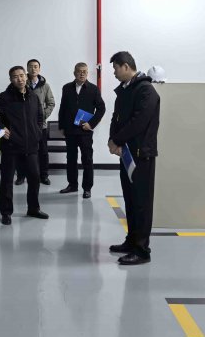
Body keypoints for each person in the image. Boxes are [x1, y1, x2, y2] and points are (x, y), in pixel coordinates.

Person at [108, 51, 160, 265]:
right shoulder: (125, 90)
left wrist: (117, 139)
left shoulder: (146, 90)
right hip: (126, 154)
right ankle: (131, 241)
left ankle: (142, 250)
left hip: (141, 154)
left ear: (126, 66)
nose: (114, 73)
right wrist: (112, 140)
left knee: (141, 203)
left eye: (115, 68)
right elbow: (116, 117)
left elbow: (139, 122)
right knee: (130, 200)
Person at [0, 65, 50, 225]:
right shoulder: (5, 97)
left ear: (26, 77)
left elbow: (39, 116)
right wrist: (1, 128)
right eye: (15, 76)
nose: (19, 79)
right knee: (7, 180)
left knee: (34, 178)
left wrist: (37, 133)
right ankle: (6, 213)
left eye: (21, 75)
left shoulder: (33, 97)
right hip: (11, 146)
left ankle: (33, 208)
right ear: (11, 79)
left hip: (31, 146)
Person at [58, 62, 106, 199]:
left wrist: (91, 124)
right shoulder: (66, 88)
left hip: (85, 131)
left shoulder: (93, 89)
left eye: (85, 71)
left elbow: (101, 108)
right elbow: (63, 108)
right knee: (71, 159)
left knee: (87, 159)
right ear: (74, 73)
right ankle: (72, 185)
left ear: (87, 73)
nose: (82, 74)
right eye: (79, 71)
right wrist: (61, 126)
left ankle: (87, 188)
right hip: (70, 130)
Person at [15, 59, 55, 186]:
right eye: (31, 66)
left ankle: (44, 176)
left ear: (39, 69)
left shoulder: (45, 86)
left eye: (36, 66)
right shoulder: (21, 83)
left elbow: (51, 103)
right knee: (22, 151)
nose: (33, 69)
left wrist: (42, 116)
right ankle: (21, 176)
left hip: (40, 125)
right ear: (27, 69)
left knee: (43, 152)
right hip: (23, 126)